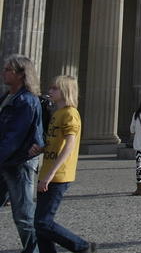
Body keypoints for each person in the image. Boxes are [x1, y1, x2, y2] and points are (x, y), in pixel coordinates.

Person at [32, 74, 95, 253]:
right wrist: (42, 148)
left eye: (54, 88)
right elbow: (56, 142)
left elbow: (69, 146)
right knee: (40, 224)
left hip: (58, 175)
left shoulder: (70, 114)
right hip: (49, 172)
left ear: (65, 91)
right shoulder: (57, 113)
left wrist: (50, 175)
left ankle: (82, 246)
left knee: (43, 222)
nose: (49, 91)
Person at [0, 55, 45, 253]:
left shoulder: (27, 101)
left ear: (21, 74)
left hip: (19, 163)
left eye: (8, 69)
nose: (4, 72)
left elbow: (14, 137)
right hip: (7, 161)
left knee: (23, 215)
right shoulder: (7, 97)